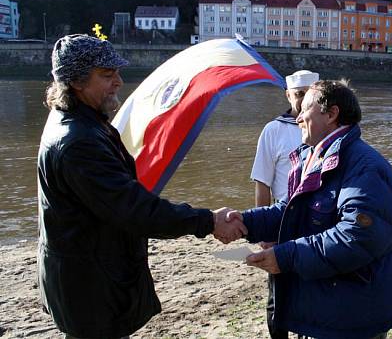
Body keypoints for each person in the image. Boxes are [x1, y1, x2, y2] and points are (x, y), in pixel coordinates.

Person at [37, 34, 247, 339]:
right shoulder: (78, 141)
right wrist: (208, 221)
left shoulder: (79, 121)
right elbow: (134, 210)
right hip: (88, 288)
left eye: (117, 73)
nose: (119, 82)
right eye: (107, 75)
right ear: (77, 83)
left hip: (85, 278)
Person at [230, 80, 392, 339]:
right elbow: (289, 210)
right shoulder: (314, 156)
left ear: (331, 114)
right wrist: (244, 222)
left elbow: (357, 236)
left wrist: (286, 257)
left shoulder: (363, 164)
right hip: (328, 304)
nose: (298, 117)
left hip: (351, 314)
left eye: (306, 109)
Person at [250, 69, 319, 339]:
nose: (302, 102)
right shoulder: (273, 130)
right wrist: (263, 232)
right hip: (282, 224)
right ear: (288, 95)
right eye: (298, 95)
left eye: (308, 95)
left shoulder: (325, 127)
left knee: (312, 288)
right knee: (278, 294)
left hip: (315, 223)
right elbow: (262, 183)